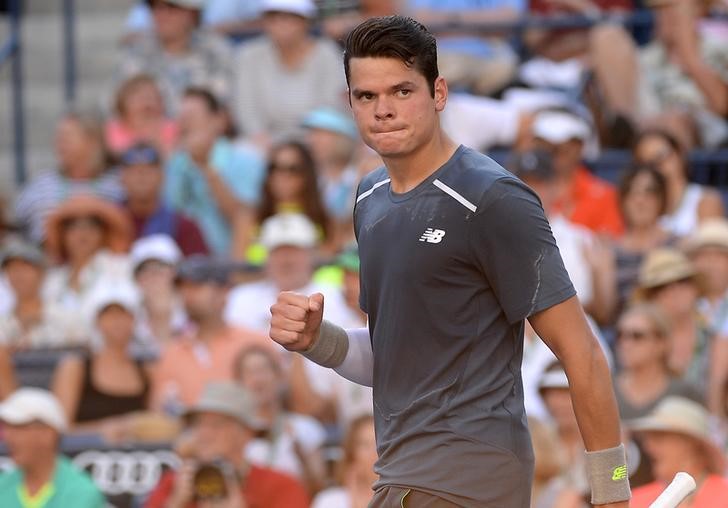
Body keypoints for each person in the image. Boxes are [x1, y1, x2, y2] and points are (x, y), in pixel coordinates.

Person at [270, 16, 629, 507]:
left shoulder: (493, 197)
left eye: (401, 91)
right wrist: (319, 341)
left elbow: (583, 353)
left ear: (439, 93)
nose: (384, 111)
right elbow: (393, 358)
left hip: (470, 478)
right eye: (366, 97)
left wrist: (612, 494)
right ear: (350, 102)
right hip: (399, 477)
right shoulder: (368, 197)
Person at [144, 382, 310, 508]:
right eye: (198, 424)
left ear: (247, 433)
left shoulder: (280, 486)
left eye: (216, 424)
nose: (204, 433)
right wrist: (175, 502)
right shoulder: (174, 483)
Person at [151, 256, 271, 412]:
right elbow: (159, 415)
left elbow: (272, 407)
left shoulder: (255, 344)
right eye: (183, 288)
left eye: (196, 286)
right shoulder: (171, 354)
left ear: (223, 292)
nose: (187, 295)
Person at [164, 88, 265, 256]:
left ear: (219, 121)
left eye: (192, 118)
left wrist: (205, 166)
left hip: (229, 264)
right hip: (186, 266)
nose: (185, 125)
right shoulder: (175, 165)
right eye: (181, 118)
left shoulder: (246, 161)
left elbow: (244, 220)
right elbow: (171, 215)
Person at [233, 0, 347, 146]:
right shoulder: (249, 55)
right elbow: (246, 107)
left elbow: (332, 105)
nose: (281, 23)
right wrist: (259, 137)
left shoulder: (326, 54)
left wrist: (311, 139)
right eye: (273, 17)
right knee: (245, 154)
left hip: (316, 137)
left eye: (290, 17)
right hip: (264, 141)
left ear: (305, 21)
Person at [52, 284, 152, 440]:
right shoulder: (76, 367)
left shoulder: (147, 371)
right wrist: (102, 431)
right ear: (97, 320)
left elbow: (156, 424)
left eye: (124, 315)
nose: (117, 322)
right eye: (109, 315)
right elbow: (59, 427)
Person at [225, 213, 350, 334]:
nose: (286, 260)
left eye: (294, 251)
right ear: (266, 258)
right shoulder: (241, 298)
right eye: (278, 252)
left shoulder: (337, 297)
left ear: (312, 254)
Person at [13, 110, 124, 243]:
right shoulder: (39, 184)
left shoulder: (118, 183)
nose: (60, 143)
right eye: (59, 137)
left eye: (67, 137)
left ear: (93, 141)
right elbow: (15, 227)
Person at [634, 248, 722, 410]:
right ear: (650, 299)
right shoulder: (638, 342)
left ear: (695, 288)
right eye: (661, 287)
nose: (674, 291)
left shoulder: (718, 338)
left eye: (682, 282)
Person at [115, 0, 234, 116]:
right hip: (147, 133)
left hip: (206, 133)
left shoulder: (216, 51)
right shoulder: (137, 51)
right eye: (154, 6)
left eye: (171, 7)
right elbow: (118, 105)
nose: (161, 14)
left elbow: (222, 108)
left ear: (192, 13)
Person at [235, 346, 327, 495]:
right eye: (250, 373)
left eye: (263, 370)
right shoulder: (234, 434)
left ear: (279, 376)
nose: (257, 380)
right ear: (239, 383)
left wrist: (301, 455)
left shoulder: (306, 428)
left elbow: (318, 488)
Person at [0, 388, 105, 507]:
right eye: (6, 427)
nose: (7, 437)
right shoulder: (3, 486)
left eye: (18, 427)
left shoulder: (82, 492)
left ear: (48, 434)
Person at [531, 109, 624, 237]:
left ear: (580, 146)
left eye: (565, 147)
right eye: (546, 145)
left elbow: (608, 243)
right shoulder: (524, 188)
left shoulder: (604, 195)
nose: (555, 151)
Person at [43, 196, 133, 323]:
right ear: (63, 235)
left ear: (104, 234)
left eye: (91, 226)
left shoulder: (121, 267)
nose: (82, 234)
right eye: (74, 227)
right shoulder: (53, 279)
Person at [629, 396, 728, 507]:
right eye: (648, 439)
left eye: (659, 437)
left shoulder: (725, 496)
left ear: (690, 443)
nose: (648, 446)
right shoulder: (635, 500)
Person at [613, 303, 703, 420]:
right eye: (620, 335)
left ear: (662, 344)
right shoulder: (605, 389)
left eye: (637, 336)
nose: (625, 344)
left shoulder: (684, 393)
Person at [119, 142, 209, 255]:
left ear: (163, 176)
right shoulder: (108, 222)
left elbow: (198, 268)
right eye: (134, 171)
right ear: (121, 177)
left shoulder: (183, 227)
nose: (141, 176)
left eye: (149, 170)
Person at [632, 128, 724, 237]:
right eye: (647, 164)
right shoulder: (640, 203)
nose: (657, 166)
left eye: (661, 156)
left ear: (679, 153)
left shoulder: (705, 199)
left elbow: (711, 247)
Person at [612, 164, 674, 321]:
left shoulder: (680, 245)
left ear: (662, 199)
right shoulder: (609, 251)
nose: (640, 200)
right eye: (632, 193)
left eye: (649, 192)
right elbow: (606, 314)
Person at [0, 239, 87, 349]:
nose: (19, 275)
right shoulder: (3, 323)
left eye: (25, 268)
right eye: (12, 269)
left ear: (41, 273)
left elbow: (82, 353)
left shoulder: (66, 318)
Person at [302, 107, 361, 249]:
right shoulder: (307, 178)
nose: (312, 140)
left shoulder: (360, 178)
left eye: (321, 135)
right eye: (311, 134)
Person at [129, 234, 187, 353]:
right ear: (136, 278)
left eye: (160, 267)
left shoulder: (193, 311)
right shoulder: (127, 313)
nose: (153, 275)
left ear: (175, 273)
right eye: (144, 269)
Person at [312, 414, 378, 508]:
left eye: (379, 443)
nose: (374, 452)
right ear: (352, 454)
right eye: (365, 445)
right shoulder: (329, 501)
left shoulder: (403, 499)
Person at [105, 73, 178, 157]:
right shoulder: (114, 128)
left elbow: (171, 156)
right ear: (123, 103)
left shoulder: (170, 127)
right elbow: (116, 155)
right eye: (141, 98)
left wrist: (155, 135)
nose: (146, 103)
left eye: (152, 97)